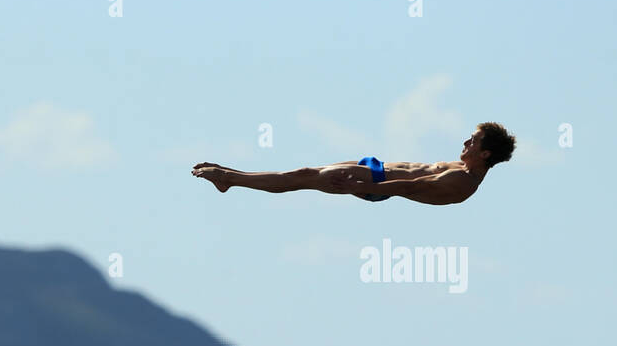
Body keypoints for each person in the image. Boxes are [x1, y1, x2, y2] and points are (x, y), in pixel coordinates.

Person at [192, 122, 515, 205]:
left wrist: (364, 185)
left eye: (473, 140)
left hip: (375, 181)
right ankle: (230, 175)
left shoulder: (464, 182)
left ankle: (228, 178)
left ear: (485, 153)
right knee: (306, 172)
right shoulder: (460, 167)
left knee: (304, 176)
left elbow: (411, 185)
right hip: (375, 168)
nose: (465, 142)